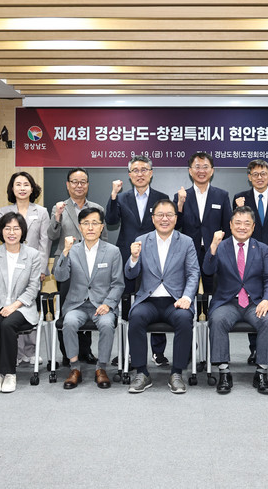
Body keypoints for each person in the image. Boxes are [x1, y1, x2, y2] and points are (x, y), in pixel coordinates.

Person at [125, 199, 200, 394]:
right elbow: (130, 275)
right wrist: (133, 258)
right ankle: (142, 373)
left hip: (175, 301)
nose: (164, 219)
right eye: (160, 215)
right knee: (135, 317)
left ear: (176, 218)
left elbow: (193, 273)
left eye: (169, 215)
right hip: (148, 301)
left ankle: (177, 373)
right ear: (153, 218)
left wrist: (187, 297)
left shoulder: (186, 242)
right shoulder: (142, 240)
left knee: (184, 319)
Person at [203, 206, 268, 395]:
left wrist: (267, 299)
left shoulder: (262, 249)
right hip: (227, 302)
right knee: (217, 320)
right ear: (230, 225)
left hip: (255, 302)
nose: (242, 227)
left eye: (246, 223)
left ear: (253, 227)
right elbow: (207, 270)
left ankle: (261, 373)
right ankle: (224, 372)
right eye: (238, 223)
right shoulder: (221, 246)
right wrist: (213, 246)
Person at [106, 155, 170, 366]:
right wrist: (113, 195)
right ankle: (127, 352)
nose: (140, 174)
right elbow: (111, 220)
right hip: (128, 257)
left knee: (156, 300)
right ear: (129, 175)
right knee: (126, 305)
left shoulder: (161, 198)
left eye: (144, 170)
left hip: (155, 258)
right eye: (135, 170)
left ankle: (158, 352)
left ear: (151, 173)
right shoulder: (122, 198)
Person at [53, 208, 124, 390]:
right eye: (86, 223)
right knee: (69, 322)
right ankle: (74, 368)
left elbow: (118, 284)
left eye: (95, 223)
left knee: (107, 324)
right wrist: (65, 251)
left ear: (102, 227)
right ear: (80, 227)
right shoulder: (72, 250)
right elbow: (60, 276)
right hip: (77, 304)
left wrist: (108, 304)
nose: (90, 227)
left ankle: (101, 368)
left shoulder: (113, 251)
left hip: (102, 305)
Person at [0, 212, 42, 394]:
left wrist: (14, 306)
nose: (11, 232)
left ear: (22, 231)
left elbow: (33, 288)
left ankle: (9, 373)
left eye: (16, 229)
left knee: (8, 324)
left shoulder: (33, 255)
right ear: (1, 231)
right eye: (7, 228)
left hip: (22, 306)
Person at [0, 171, 51, 366]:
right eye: (18, 184)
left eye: (26, 184)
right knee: (10, 308)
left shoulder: (41, 211)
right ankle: (14, 352)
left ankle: (30, 351)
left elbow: (45, 242)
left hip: (33, 266)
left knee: (28, 306)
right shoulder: (4, 211)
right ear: (12, 188)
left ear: (32, 188)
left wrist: (42, 268)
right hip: (10, 266)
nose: (22, 188)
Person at [233, 159, 268, 364]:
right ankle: (254, 349)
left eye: (263, 173)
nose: (259, 177)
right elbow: (237, 229)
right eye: (255, 174)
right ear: (249, 177)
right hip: (249, 262)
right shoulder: (240, 198)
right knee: (250, 301)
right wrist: (238, 208)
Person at [47, 167, 105, 365]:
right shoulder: (59, 207)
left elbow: (104, 238)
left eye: (83, 182)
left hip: (91, 265)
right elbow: (52, 235)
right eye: (74, 182)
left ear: (88, 184)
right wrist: (57, 216)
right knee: (68, 308)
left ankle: (85, 351)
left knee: (89, 304)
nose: (79, 186)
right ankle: (67, 353)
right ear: (67, 184)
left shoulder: (97, 208)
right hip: (67, 264)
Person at [174, 151, 232, 298]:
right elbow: (175, 226)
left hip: (214, 252)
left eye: (205, 167)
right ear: (190, 171)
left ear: (212, 171)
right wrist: (180, 204)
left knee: (213, 293)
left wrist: (225, 253)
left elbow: (228, 227)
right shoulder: (181, 196)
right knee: (187, 293)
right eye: (197, 167)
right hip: (188, 252)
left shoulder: (222, 195)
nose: (201, 171)